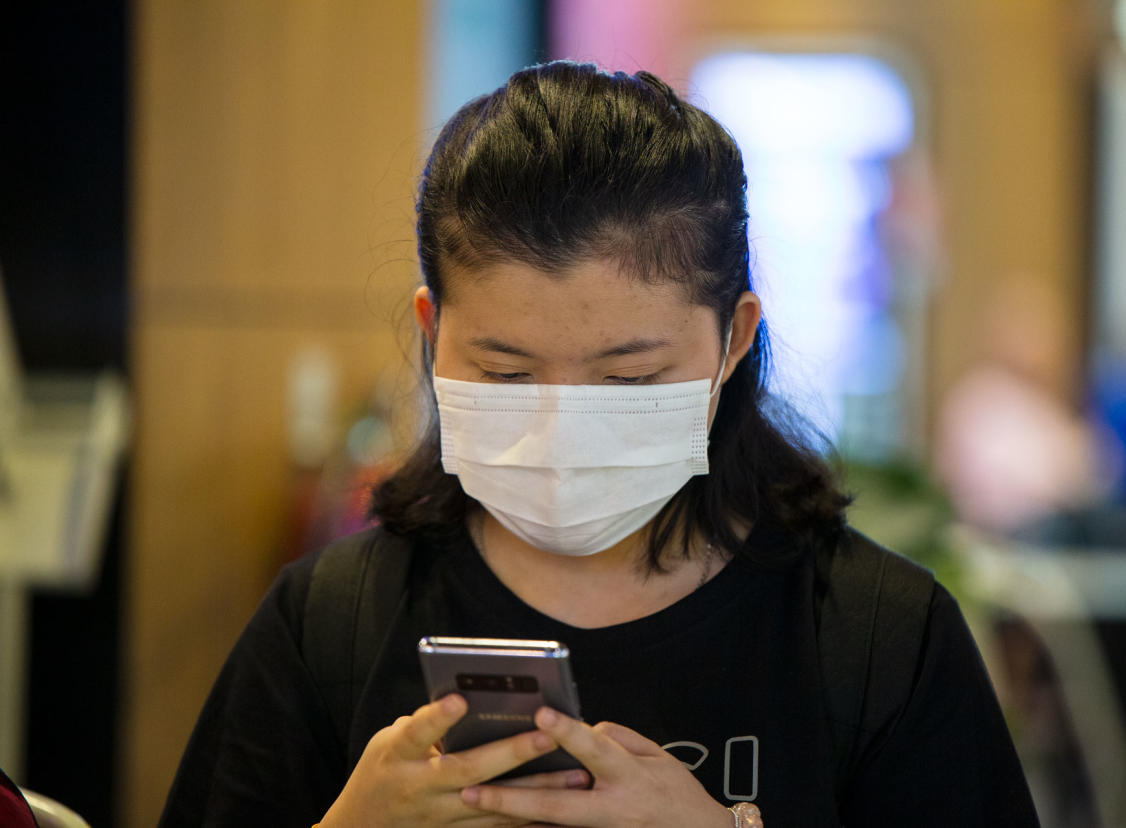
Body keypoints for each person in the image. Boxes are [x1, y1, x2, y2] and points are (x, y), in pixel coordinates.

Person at [159, 61, 1040, 827]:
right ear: (433, 336)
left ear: (732, 342)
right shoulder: (332, 624)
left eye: (628, 380)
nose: (560, 424)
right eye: (507, 374)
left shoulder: (874, 636)